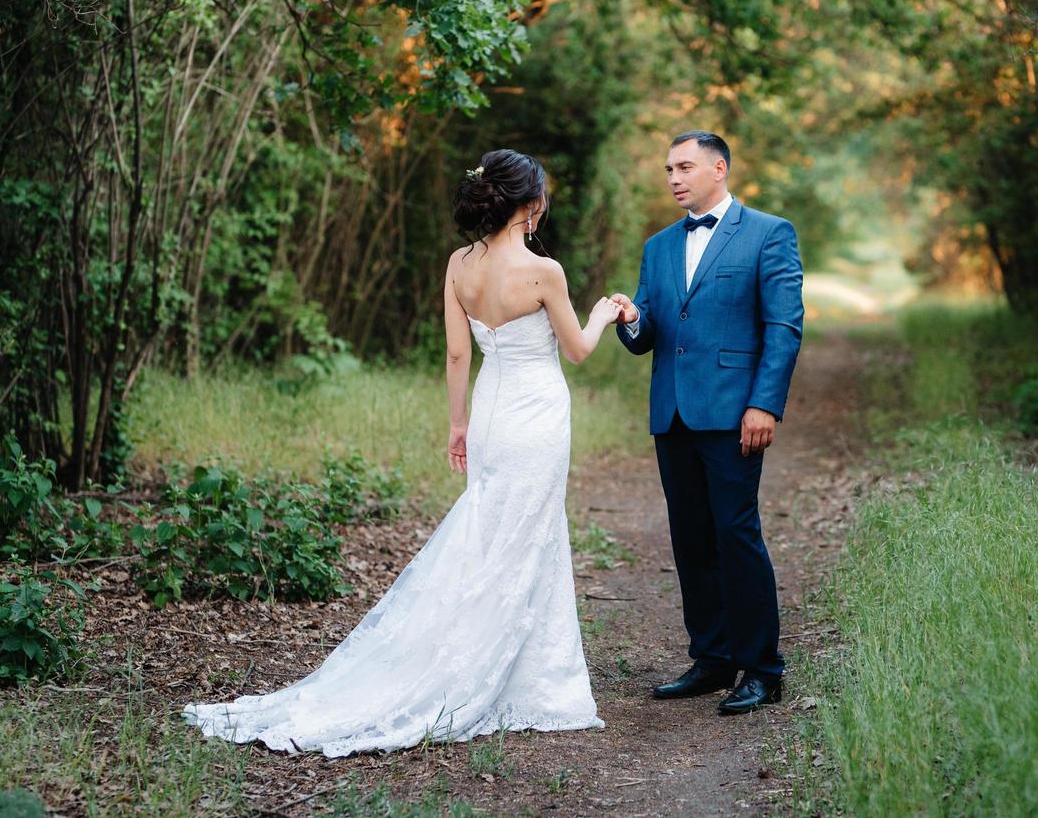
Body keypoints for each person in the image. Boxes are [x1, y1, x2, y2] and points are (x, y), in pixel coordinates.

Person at [182, 149, 619, 756]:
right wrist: (602, 314)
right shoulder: (546, 272)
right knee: (531, 531)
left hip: (492, 411)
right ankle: (526, 682)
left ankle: (518, 673)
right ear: (530, 203)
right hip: (537, 414)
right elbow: (576, 351)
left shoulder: (460, 264)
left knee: (493, 531)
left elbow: (457, 356)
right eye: (542, 198)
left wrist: (457, 426)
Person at [609, 129, 803, 715]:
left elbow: (784, 327)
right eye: (669, 169)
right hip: (672, 411)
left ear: (718, 169)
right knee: (691, 538)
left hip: (733, 411)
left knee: (735, 534)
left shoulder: (770, 233)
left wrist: (764, 403)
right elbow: (647, 337)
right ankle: (713, 659)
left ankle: (763, 669)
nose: (673, 178)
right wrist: (630, 319)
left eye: (685, 167)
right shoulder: (659, 246)